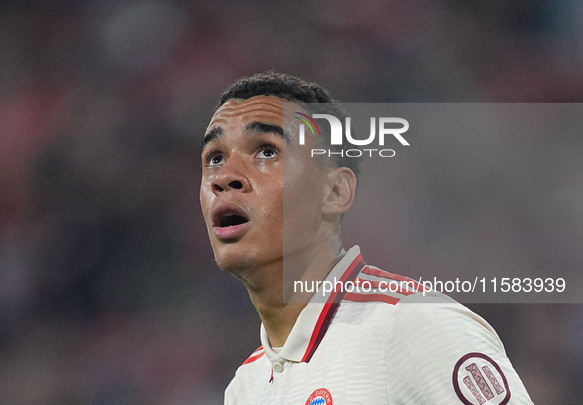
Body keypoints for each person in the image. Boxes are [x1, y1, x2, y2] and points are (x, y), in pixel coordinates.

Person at [199, 71, 533, 404]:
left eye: (266, 151)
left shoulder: (412, 326)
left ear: (334, 191)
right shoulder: (246, 386)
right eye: (215, 158)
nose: (224, 177)